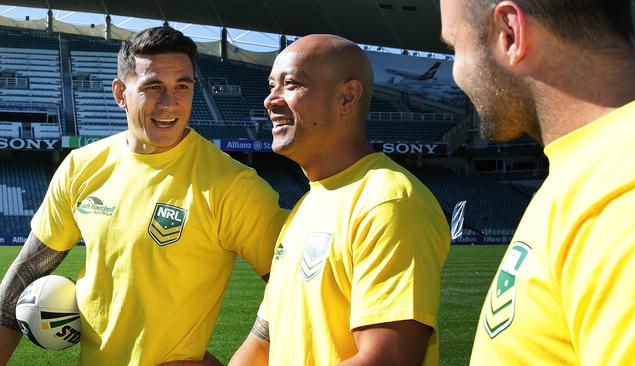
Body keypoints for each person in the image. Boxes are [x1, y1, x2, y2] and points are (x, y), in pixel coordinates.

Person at [0, 26, 287, 366]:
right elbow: (26, 273)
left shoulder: (232, 184)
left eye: (183, 86)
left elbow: (295, 285)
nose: (170, 102)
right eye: (153, 87)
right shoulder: (82, 166)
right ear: (120, 93)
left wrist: (243, 360)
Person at [439, 0, 635, 364]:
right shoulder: (593, 171)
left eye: (455, 47)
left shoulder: (628, 190)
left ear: (509, 34)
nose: (456, 75)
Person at [229, 34, 451, 366]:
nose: (270, 100)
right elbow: (262, 343)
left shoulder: (388, 203)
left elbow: (388, 359)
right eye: (271, 86)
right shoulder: (306, 207)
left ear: (347, 97)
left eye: (291, 84)